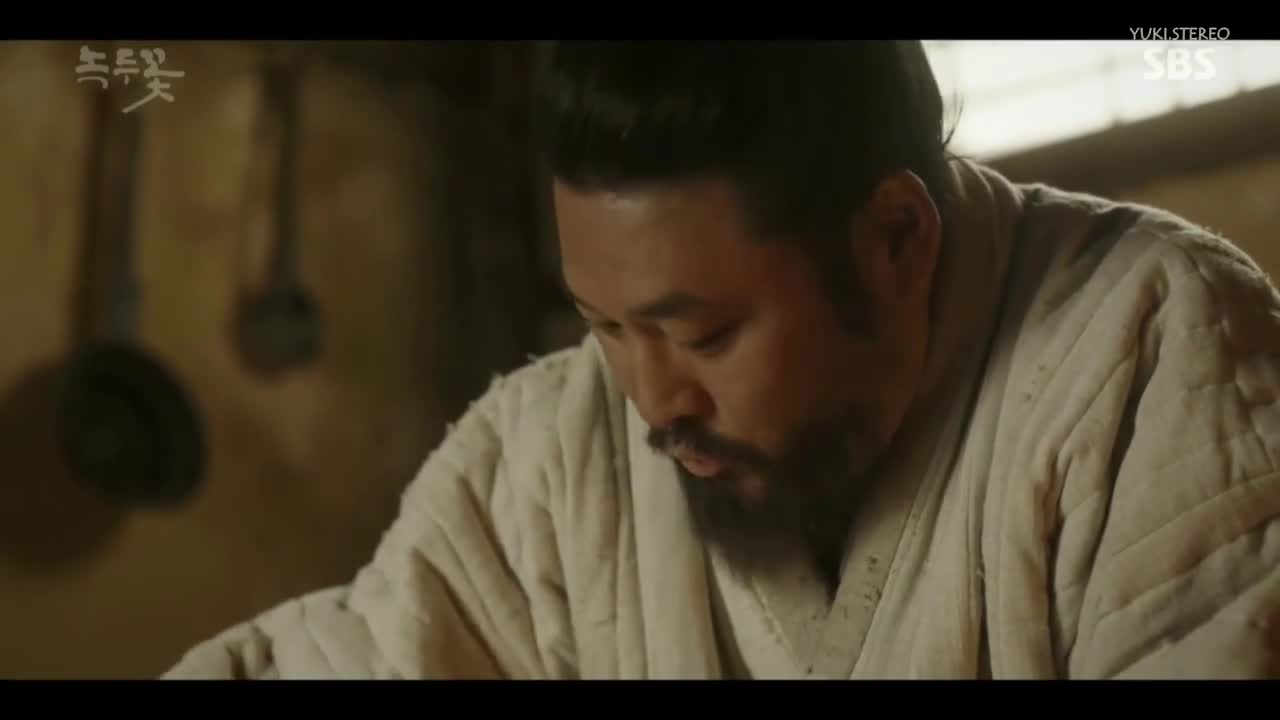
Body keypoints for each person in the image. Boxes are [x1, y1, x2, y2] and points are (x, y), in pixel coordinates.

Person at [164, 41, 1280, 680]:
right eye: (606, 326)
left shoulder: (1149, 350)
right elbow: (363, 653)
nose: (654, 402)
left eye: (703, 334)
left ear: (895, 241)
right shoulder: (559, 455)